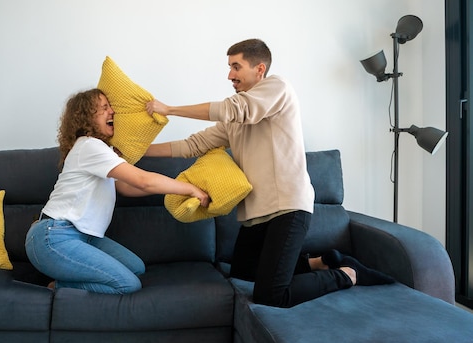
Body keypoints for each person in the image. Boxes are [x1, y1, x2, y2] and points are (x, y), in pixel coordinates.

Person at [144, 38, 393, 307]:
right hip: (257, 214)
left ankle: (347, 274)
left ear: (259, 69)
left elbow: (234, 109)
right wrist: (137, 152)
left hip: (288, 207)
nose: (230, 75)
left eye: (236, 67)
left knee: (272, 294)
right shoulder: (236, 117)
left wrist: (169, 109)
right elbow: (192, 145)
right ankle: (323, 261)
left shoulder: (277, 87)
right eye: (229, 67)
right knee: (242, 272)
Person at [25, 88, 210, 294]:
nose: (112, 112)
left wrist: (176, 190)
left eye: (110, 107)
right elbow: (142, 180)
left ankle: (65, 273)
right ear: (87, 117)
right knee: (128, 284)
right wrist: (191, 189)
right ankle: (57, 286)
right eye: (104, 108)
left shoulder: (103, 151)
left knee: (136, 268)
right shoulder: (89, 145)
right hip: (55, 237)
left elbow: (127, 187)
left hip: (83, 236)